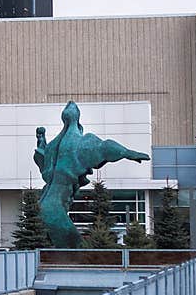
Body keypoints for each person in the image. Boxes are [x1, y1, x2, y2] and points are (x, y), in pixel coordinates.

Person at [35, 101, 149, 247]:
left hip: (46, 202)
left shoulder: (54, 145)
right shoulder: (81, 142)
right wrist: (128, 153)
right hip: (54, 207)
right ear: (78, 118)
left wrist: (41, 141)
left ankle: (65, 262)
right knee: (72, 244)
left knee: (68, 244)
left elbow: (43, 160)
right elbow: (105, 147)